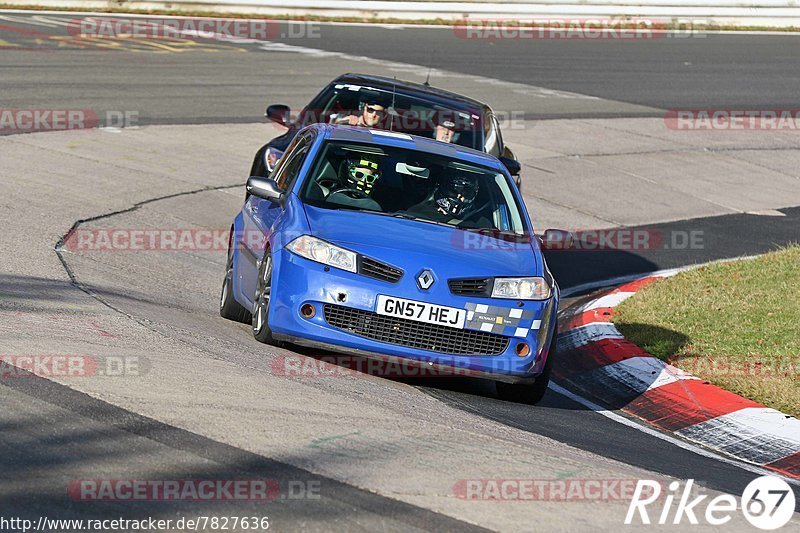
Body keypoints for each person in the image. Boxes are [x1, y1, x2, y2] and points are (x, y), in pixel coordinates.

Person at [406, 171, 489, 227]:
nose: (459, 196)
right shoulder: (418, 212)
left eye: (466, 193)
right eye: (454, 191)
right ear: (442, 189)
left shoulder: (480, 223)